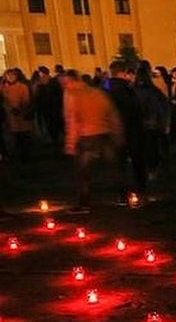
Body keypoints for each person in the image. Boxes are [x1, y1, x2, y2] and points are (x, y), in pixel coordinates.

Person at [62, 70, 123, 211]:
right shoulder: (98, 93)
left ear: (71, 81)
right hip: (105, 134)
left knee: (83, 172)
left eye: (65, 83)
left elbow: (73, 120)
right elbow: (113, 114)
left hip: (87, 137)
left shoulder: (73, 96)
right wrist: (118, 133)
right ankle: (123, 196)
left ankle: (84, 203)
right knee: (114, 168)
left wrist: (70, 144)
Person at [106, 59, 146, 203]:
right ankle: (140, 189)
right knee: (137, 162)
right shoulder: (127, 90)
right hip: (131, 130)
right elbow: (135, 110)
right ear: (123, 73)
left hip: (114, 132)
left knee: (118, 164)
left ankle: (121, 194)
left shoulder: (105, 90)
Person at [1, 68, 35, 162]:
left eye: (12, 75)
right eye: (8, 76)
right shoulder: (3, 88)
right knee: (16, 137)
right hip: (10, 116)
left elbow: (26, 100)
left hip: (21, 115)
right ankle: (20, 154)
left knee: (24, 136)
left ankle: (26, 154)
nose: (10, 77)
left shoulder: (22, 87)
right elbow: (3, 101)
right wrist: (9, 109)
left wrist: (20, 109)